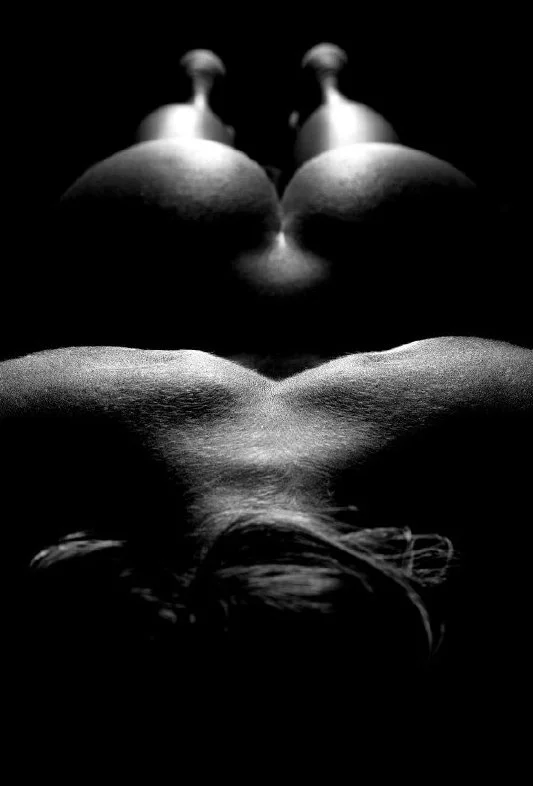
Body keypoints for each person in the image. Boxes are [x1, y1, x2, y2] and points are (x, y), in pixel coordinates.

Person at [3, 45, 532, 726]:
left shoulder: (487, 408)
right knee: (187, 155)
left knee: (352, 154)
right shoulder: (52, 419)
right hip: (167, 236)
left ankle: (301, 86)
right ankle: (245, 89)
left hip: (383, 238)